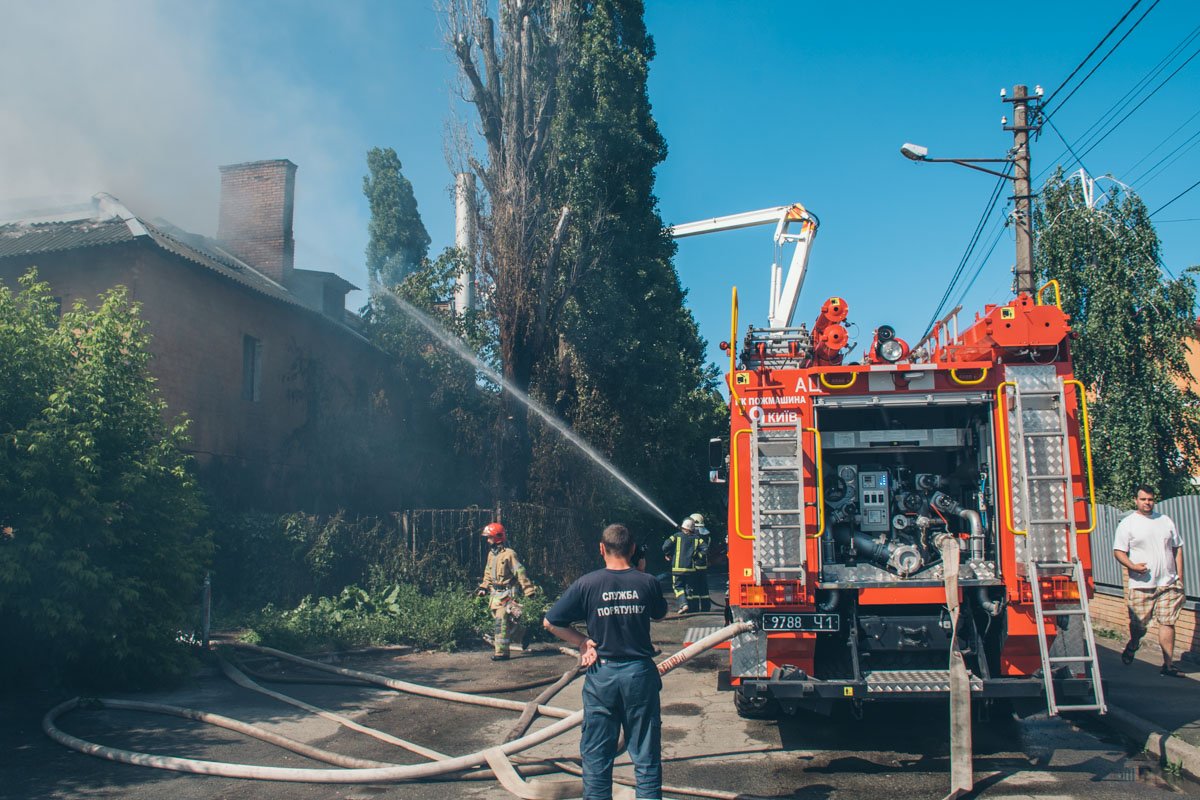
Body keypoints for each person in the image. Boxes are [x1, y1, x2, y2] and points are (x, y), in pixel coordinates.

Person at [544, 523, 668, 800]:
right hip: (639, 675)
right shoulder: (647, 582)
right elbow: (659, 615)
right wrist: (642, 572)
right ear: (633, 549)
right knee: (646, 755)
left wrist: (582, 642)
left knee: (597, 756)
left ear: (601, 549)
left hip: (602, 676)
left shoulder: (587, 583)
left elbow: (550, 622)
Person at [1113, 485, 1185, 676]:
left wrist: (1179, 577)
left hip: (1168, 583)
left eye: (1150, 499)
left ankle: (1168, 665)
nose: (1147, 503)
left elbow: (1177, 548)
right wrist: (1132, 566)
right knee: (1139, 625)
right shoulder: (1128, 524)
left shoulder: (1165, 521)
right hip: (1142, 584)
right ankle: (1134, 643)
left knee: (1167, 622)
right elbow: (1119, 551)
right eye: (1143, 499)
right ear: (1136, 500)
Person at [476, 522, 538, 661]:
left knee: (501, 621)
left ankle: (502, 653)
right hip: (495, 595)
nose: (488, 540)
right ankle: (524, 634)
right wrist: (483, 587)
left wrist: (529, 590)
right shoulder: (491, 555)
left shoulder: (510, 554)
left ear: (497, 537)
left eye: (489, 537)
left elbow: (520, 572)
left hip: (508, 594)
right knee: (508, 625)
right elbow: (488, 573)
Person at [662, 518, 709, 614]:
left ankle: (684, 604)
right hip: (690, 569)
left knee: (677, 587)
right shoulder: (697, 539)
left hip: (677, 569)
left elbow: (665, 546)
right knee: (688, 588)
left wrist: (667, 554)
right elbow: (705, 549)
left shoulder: (676, 536)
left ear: (683, 527)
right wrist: (697, 556)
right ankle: (691, 608)